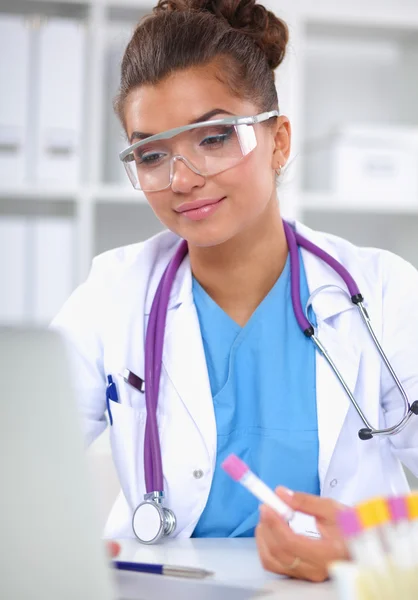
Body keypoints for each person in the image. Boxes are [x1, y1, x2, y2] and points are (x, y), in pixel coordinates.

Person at [52, 0, 418, 583]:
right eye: (151, 154)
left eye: (215, 138)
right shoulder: (112, 296)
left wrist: (368, 546)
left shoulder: (385, 294)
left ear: (278, 141)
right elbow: (17, 456)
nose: (183, 179)